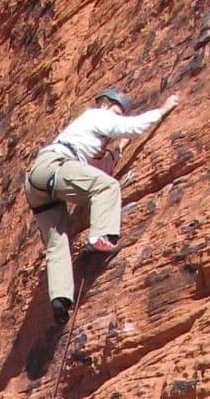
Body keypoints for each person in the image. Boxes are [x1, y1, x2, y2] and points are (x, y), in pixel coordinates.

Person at [24, 87, 179, 325]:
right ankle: (101, 237)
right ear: (105, 104)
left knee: (57, 242)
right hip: (54, 166)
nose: (116, 116)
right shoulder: (97, 115)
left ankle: (61, 300)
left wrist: (119, 150)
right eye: (116, 111)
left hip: (37, 184)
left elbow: (97, 168)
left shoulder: (85, 136)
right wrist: (163, 109)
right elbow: (133, 127)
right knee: (108, 187)